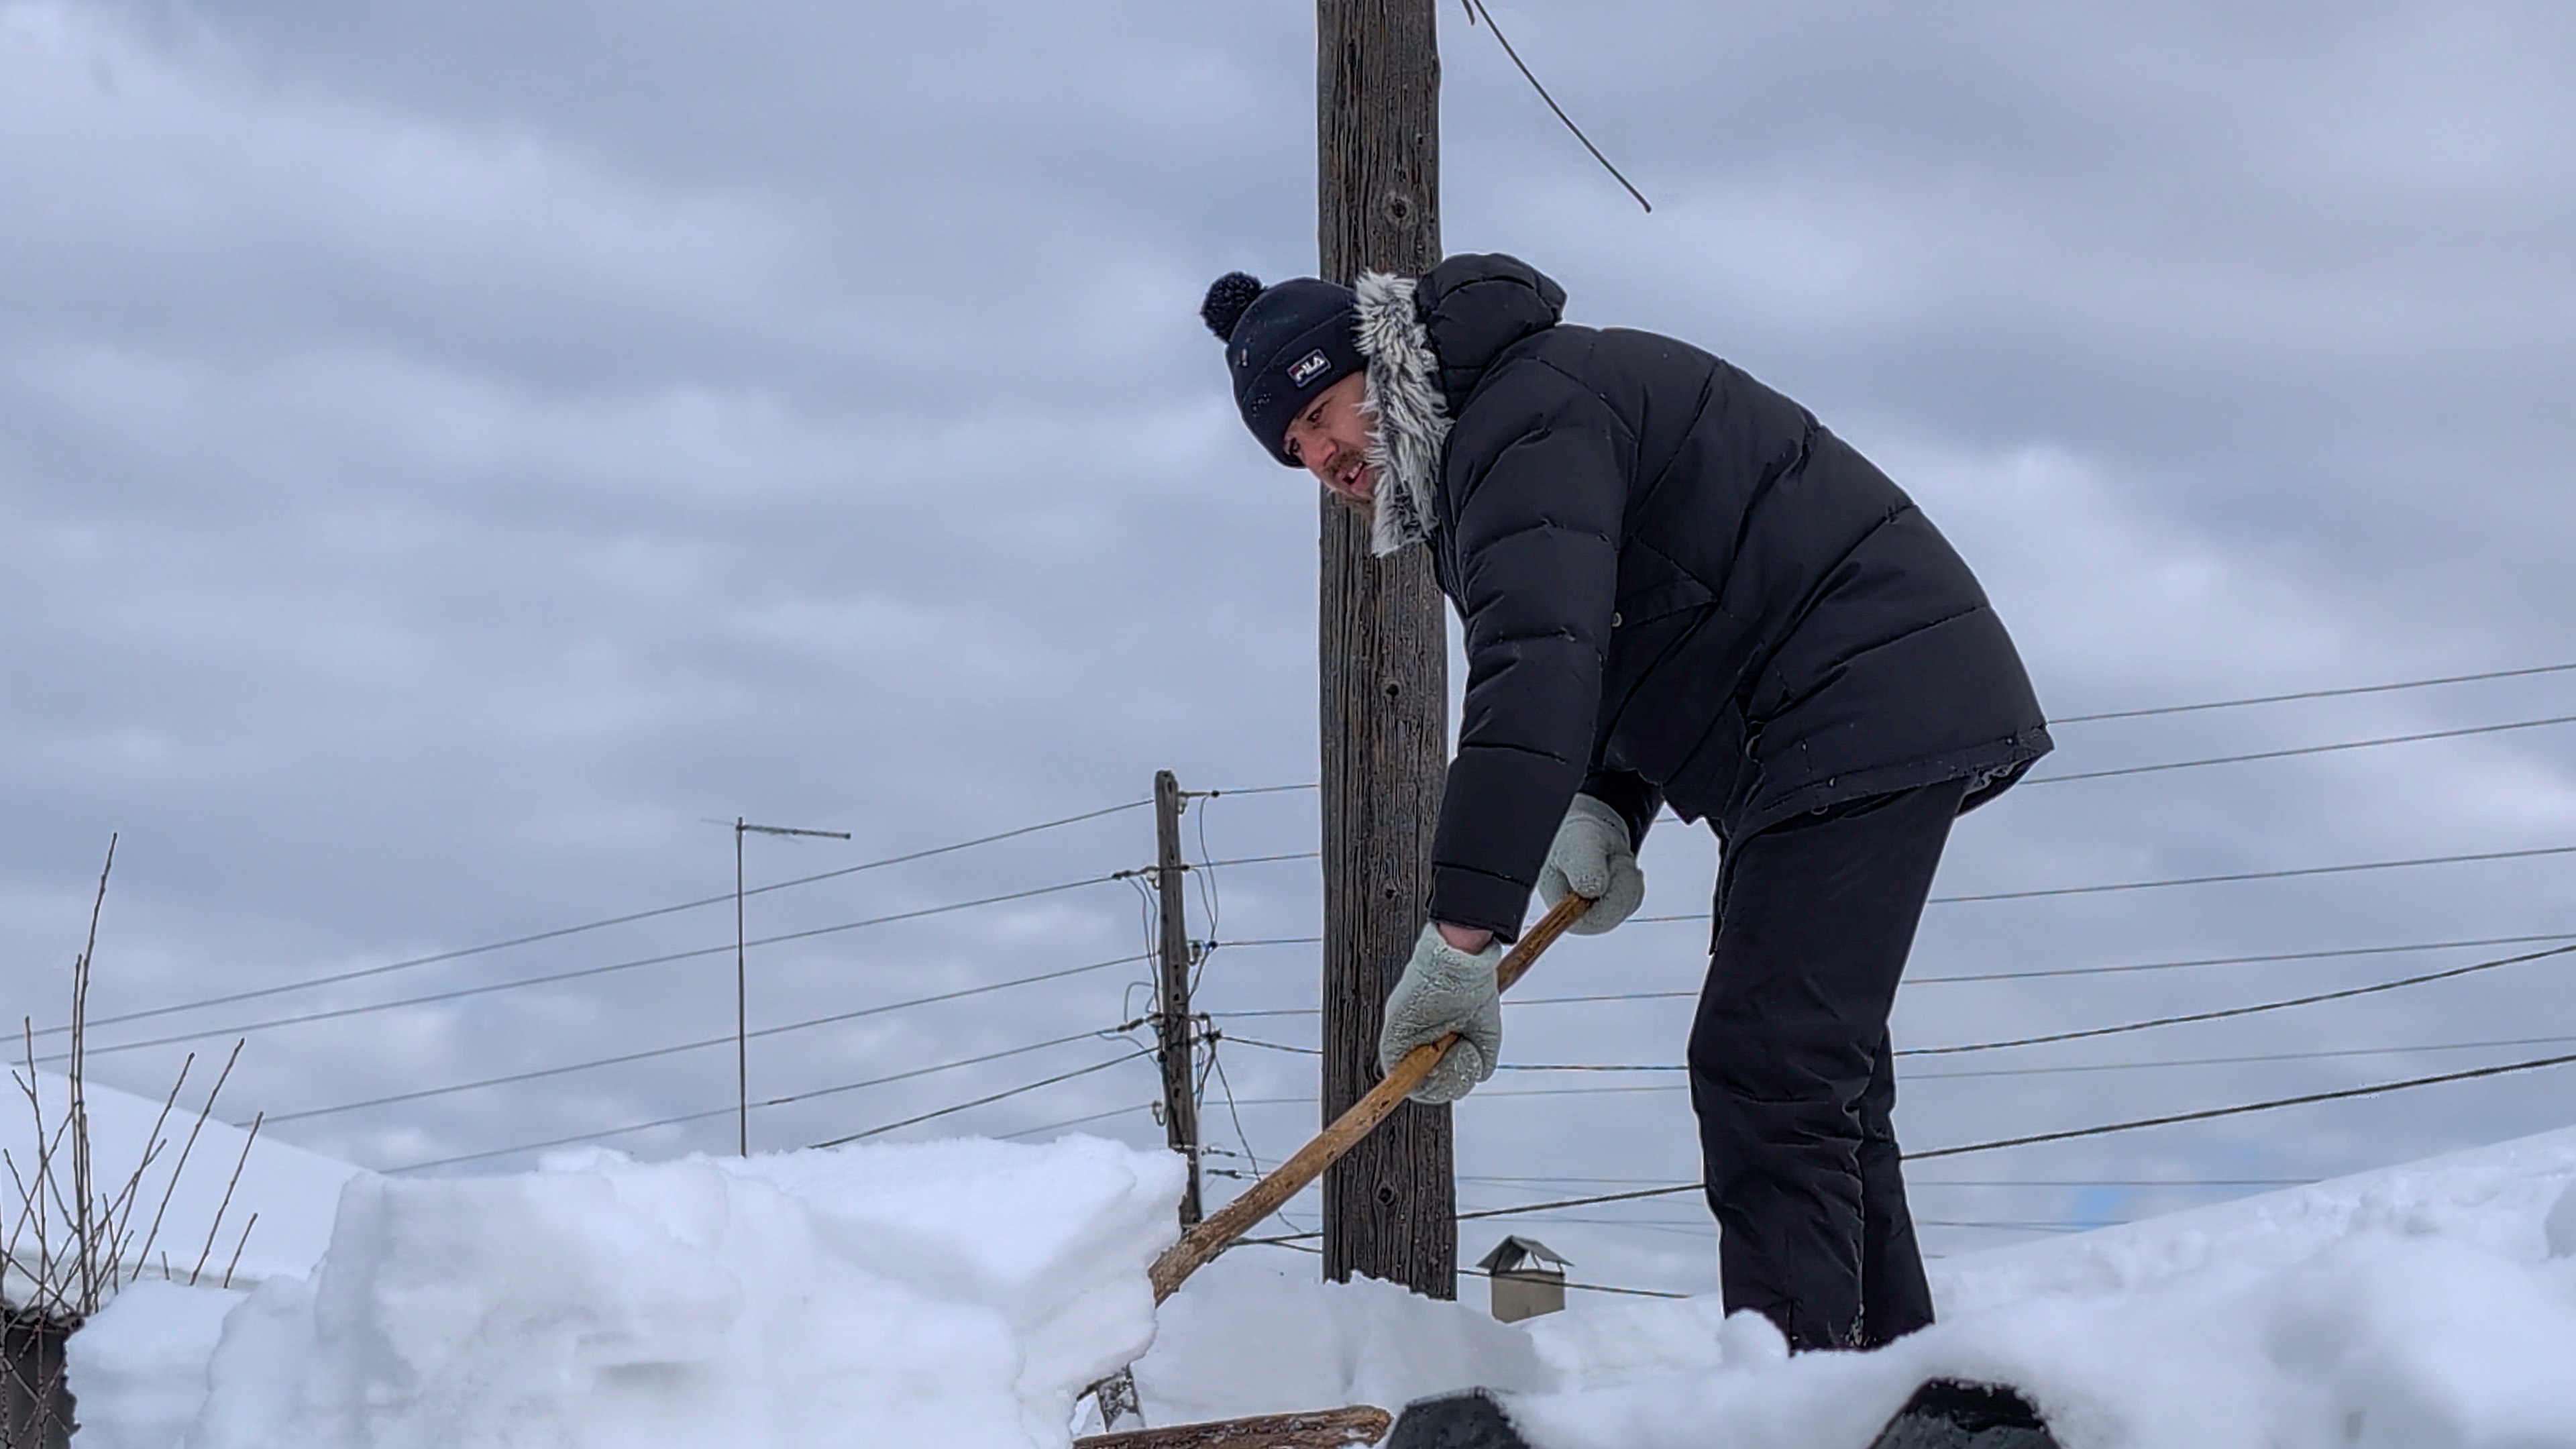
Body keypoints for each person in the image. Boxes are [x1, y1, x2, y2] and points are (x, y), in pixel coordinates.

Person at [1198, 254, 2052, 1352]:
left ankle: (1802, 1403)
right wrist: (1607, 803)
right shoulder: (1500, 430)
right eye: (1295, 451)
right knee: (1810, 1084)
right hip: (1824, 722)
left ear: (1383, 357)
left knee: (1767, 1069)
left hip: (1857, 694)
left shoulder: (1519, 419)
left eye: (1322, 414)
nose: (1324, 460)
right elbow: (1629, 631)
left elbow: (1537, 673)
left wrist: (1463, 939)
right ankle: (1893, 1392)